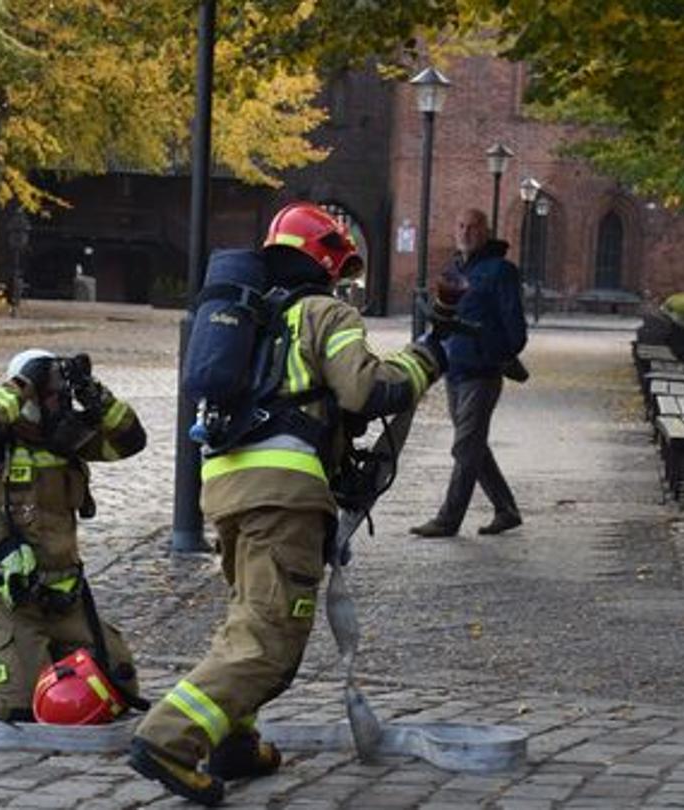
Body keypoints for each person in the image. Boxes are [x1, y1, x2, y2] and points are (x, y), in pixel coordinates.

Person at [128, 203, 446, 806]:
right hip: (284, 496)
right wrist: (427, 358)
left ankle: (234, 742)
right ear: (326, 261)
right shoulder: (324, 313)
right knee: (271, 641)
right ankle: (169, 739)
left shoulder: (249, 318)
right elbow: (368, 389)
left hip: (227, 489)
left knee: (248, 617)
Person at [0, 349, 148, 721]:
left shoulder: (65, 439)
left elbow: (131, 440)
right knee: (18, 701)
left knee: (118, 685)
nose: (57, 404)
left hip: (63, 598)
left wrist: (92, 393)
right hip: (3, 598)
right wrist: (23, 383)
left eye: (61, 395)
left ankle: (40, 655)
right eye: (49, 395)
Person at [410, 209, 527, 538]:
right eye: (461, 225)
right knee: (474, 446)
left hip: (482, 373)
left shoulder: (501, 271)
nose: (466, 231)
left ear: (486, 231)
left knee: (464, 447)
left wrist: (492, 353)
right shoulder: (455, 269)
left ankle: (448, 520)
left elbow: (515, 331)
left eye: (474, 227)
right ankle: (506, 509)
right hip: (455, 372)